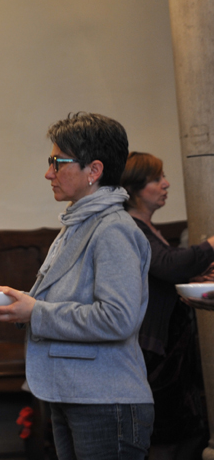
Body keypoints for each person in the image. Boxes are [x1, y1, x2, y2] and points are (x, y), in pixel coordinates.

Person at [0, 113, 153, 460]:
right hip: (76, 392)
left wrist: (37, 312)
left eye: (58, 162)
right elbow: (65, 300)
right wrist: (22, 304)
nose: (49, 173)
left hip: (107, 398)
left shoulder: (112, 229)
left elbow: (117, 318)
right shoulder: (79, 223)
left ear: (94, 170)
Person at [121, 152, 213, 456]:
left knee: (186, 435)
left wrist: (196, 276)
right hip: (154, 353)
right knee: (167, 439)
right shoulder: (132, 227)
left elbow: (160, 277)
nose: (166, 184)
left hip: (170, 349)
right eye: (157, 179)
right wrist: (212, 245)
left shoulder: (147, 227)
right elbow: (169, 266)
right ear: (135, 188)